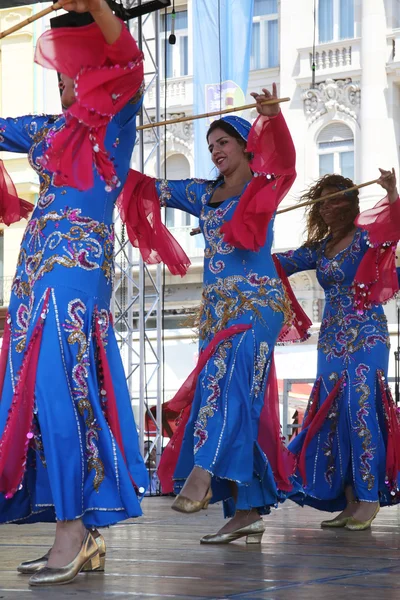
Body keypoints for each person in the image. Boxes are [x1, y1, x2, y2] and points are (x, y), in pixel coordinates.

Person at [118, 85, 309, 544]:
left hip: (258, 304)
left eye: (223, 143)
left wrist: (271, 118)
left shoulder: (265, 184)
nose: (216, 152)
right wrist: (107, 148)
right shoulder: (204, 195)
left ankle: (202, 474)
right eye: (210, 147)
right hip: (216, 312)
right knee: (226, 394)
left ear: (246, 145)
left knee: (230, 385)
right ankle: (246, 510)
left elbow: (284, 160)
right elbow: (149, 187)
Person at [0, 0, 148, 586]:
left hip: (75, 270)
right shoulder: (47, 130)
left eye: (73, 68)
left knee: (64, 387)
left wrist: (95, 6)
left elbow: (131, 60)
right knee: (34, 394)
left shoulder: (116, 119)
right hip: (34, 270)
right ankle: (80, 531)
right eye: (59, 72)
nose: (63, 78)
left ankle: (75, 530)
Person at [275, 171, 400, 530]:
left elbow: (395, 225)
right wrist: (248, 232)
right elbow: (278, 263)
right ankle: (348, 500)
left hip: (366, 335)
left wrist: (391, 192)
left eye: (336, 199)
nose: (329, 207)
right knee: (334, 417)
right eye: (322, 202)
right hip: (331, 339)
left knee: (360, 410)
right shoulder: (320, 248)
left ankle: (369, 497)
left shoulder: (366, 238)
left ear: (351, 203)